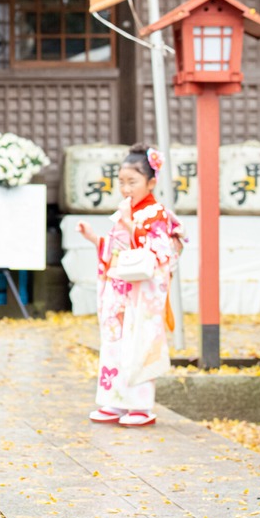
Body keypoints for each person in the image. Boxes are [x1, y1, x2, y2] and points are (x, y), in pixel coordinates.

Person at [76, 144, 184, 427]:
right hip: (120, 291)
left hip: (142, 294)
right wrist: (94, 239)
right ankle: (114, 401)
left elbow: (160, 254)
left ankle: (140, 405)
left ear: (151, 182)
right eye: (121, 182)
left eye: (132, 182)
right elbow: (115, 252)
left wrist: (128, 222)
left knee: (139, 343)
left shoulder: (157, 214)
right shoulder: (126, 211)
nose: (125, 188)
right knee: (114, 344)